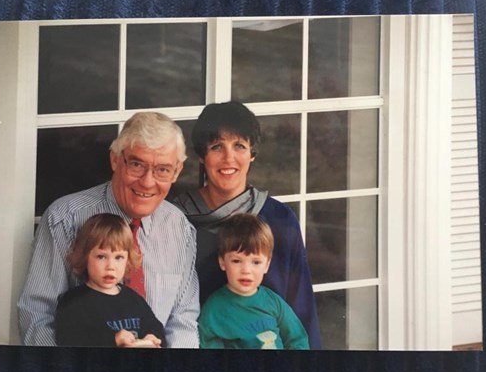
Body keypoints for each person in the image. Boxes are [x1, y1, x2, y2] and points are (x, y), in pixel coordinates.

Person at [18, 111, 200, 347]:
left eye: (162, 170)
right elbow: (37, 316)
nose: (147, 181)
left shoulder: (179, 228)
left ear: (176, 171)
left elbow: (183, 320)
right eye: (137, 164)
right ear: (115, 160)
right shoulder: (64, 217)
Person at [172, 101, 321, 349]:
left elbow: (302, 311)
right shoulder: (176, 220)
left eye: (239, 146)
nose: (229, 158)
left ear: (252, 154)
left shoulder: (279, 219)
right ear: (201, 156)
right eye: (217, 147)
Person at [199, 213, 310, 349]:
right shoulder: (214, 310)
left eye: (256, 262)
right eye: (236, 261)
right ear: (222, 262)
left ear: (267, 265)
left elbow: (297, 340)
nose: (246, 270)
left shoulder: (273, 302)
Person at [55, 213, 165, 348]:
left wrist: (152, 337)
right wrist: (113, 339)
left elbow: (156, 328)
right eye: (101, 257)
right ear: (85, 257)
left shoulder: (134, 299)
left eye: (118, 257)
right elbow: (69, 340)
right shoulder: (73, 302)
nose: (110, 267)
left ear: (128, 259)